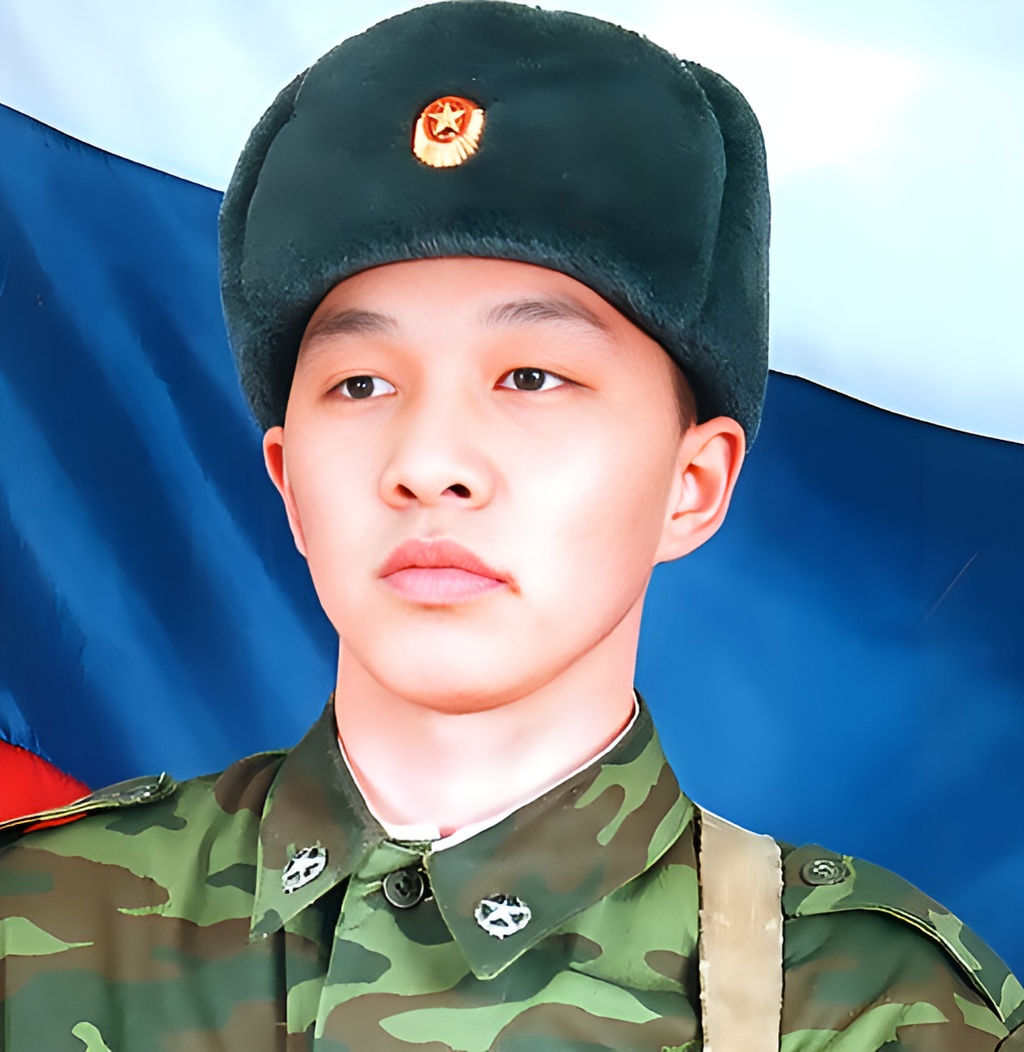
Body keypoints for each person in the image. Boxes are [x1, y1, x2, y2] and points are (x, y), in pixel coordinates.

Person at [1, 3, 1020, 1049]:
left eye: (531, 377)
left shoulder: (872, 1011)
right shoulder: (32, 924)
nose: (427, 464)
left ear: (693, 482)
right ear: (290, 483)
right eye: (361, 383)